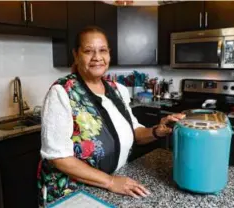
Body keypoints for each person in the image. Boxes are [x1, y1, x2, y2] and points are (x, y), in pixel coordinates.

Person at [37, 26, 185, 207]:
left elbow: (135, 132)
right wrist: (111, 182)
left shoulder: (117, 90)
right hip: (71, 193)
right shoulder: (62, 92)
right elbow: (58, 157)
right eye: (88, 51)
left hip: (108, 187)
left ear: (109, 54)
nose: (97, 57)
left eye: (102, 51)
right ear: (76, 55)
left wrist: (157, 131)